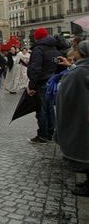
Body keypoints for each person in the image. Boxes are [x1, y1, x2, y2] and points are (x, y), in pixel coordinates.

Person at [55, 40, 89, 197]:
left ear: (81, 53)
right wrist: (70, 66)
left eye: (76, 50)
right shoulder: (80, 69)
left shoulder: (79, 73)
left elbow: (66, 94)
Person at [27, 27, 62, 144]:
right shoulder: (55, 48)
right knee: (50, 108)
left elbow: (35, 69)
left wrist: (31, 85)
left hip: (41, 82)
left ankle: (42, 135)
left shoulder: (38, 50)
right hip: (52, 81)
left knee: (41, 109)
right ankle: (51, 133)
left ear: (37, 38)